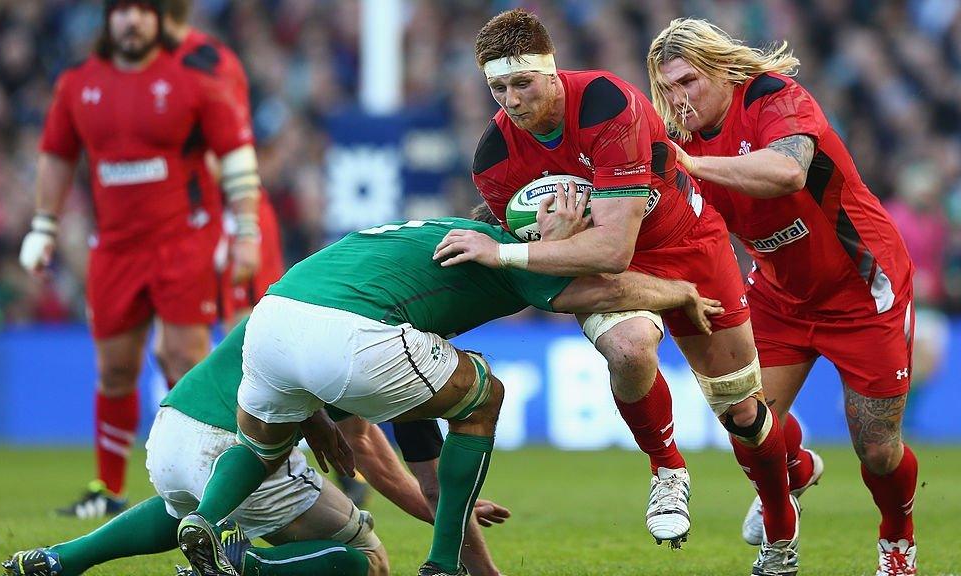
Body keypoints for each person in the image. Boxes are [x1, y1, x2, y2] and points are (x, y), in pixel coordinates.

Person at [436, 9, 798, 574]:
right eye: (497, 87)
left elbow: (612, 251)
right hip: (602, 268)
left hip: (688, 245)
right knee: (628, 348)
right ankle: (667, 468)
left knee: (744, 414)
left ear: (552, 73)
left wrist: (509, 251)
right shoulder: (495, 159)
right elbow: (556, 280)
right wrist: (545, 249)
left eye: (522, 83)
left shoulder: (609, 105)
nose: (511, 99)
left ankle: (781, 532)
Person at [172, 216, 722, 576]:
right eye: (570, 219)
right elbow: (607, 289)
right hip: (350, 334)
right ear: (534, 228)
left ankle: (208, 522)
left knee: (259, 449)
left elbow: (422, 458)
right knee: (484, 397)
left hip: (273, 318)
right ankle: (442, 566)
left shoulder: (422, 242)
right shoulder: (510, 253)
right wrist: (681, 291)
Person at [646, 18, 919, 576]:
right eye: (667, 89)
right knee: (745, 416)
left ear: (721, 70)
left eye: (688, 82)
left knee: (877, 450)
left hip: (862, 286)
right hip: (779, 294)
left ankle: (897, 540)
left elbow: (789, 172)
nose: (679, 99)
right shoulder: (679, 139)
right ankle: (791, 480)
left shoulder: (773, 96)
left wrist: (693, 165)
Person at [0, 314, 513, 576]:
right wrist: (451, 518)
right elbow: (368, 450)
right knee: (367, 557)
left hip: (173, 429)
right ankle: (245, 566)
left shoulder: (312, 291)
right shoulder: (392, 349)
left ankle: (63, 558)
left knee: (188, 505)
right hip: (236, 447)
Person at [18, 0, 260, 517]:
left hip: (184, 242)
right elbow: (57, 156)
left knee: (183, 358)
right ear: (107, 19)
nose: (132, 20)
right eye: (122, 10)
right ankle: (107, 490)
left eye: (143, 10)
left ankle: (208, 475)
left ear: (158, 18)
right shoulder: (78, 84)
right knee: (115, 369)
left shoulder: (194, 78)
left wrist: (247, 230)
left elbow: (236, 152)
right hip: (114, 249)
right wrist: (44, 225)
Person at [160, 0, 285, 331]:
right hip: (196, 215)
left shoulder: (222, 99)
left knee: (245, 327)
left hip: (233, 216)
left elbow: (245, 328)